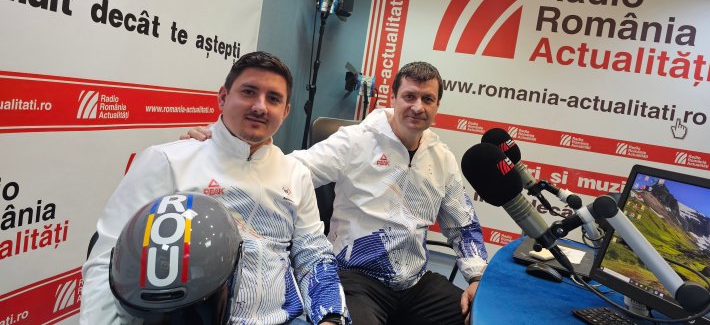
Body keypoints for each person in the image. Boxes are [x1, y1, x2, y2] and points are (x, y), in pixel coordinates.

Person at [184, 61, 488, 325]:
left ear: (437, 106)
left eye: (427, 99)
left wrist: (475, 277)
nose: (418, 107)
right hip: (356, 279)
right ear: (393, 98)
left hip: (415, 282)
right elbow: (291, 169)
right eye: (409, 96)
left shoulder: (442, 158)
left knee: (481, 318)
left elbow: (462, 224)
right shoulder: (356, 141)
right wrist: (225, 146)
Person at [81, 51, 350, 325]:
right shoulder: (167, 160)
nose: (260, 107)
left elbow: (313, 254)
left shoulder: (296, 173)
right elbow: (109, 259)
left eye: (273, 98)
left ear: (286, 111)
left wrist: (331, 317)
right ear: (223, 97)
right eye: (249, 92)